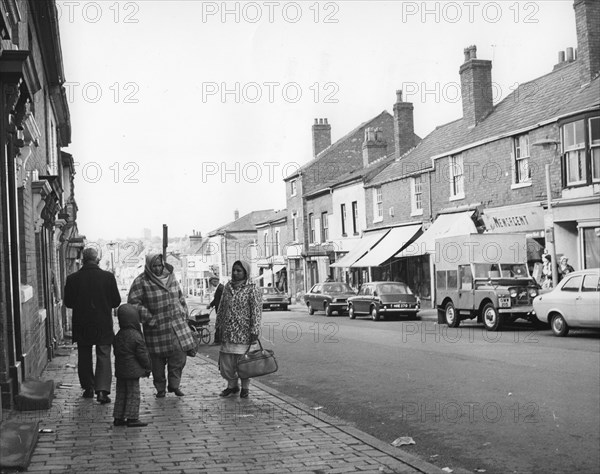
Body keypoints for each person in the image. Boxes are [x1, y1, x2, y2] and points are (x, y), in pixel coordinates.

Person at [128, 253, 196, 398]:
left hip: (177, 326)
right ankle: (160, 388)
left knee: (179, 357)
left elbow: (180, 297)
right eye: (154, 266)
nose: (158, 269)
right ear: (148, 266)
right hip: (156, 329)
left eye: (160, 265)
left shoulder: (171, 277)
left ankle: (174, 385)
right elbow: (134, 303)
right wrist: (150, 318)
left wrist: (184, 313)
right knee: (157, 362)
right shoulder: (141, 281)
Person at [64, 247, 121, 404]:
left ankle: (88, 387)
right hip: (102, 323)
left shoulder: (72, 278)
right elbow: (116, 301)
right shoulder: (108, 277)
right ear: (97, 260)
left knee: (84, 355)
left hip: (82, 324)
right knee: (103, 355)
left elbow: (68, 303)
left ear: (83, 260)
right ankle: (102, 391)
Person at [215, 260, 262, 399]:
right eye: (234, 270)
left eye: (239, 271)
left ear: (245, 272)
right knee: (227, 363)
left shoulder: (252, 288)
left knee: (243, 363)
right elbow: (222, 307)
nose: (235, 273)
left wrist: (255, 329)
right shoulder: (228, 287)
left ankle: (245, 388)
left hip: (244, 332)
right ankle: (232, 386)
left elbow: (256, 311)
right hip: (228, 332)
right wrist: (218, 326)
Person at [112, 304, 152, 427]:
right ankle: (132, 417)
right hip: (133, 371)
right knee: (133, 394)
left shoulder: (119, 335)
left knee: (121, 394)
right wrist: (148, 367)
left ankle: (118, 417)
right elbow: (142, 355)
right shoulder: (136, 336)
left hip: (121, 370)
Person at [206, 276, 224, 344]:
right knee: (219, 325)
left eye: (212, 283)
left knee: (218, 325)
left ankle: (218, 340)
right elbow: (216, 299)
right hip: (219, 310)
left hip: (220, 310)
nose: (212, 285)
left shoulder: (221, 288)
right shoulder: (220, 288)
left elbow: (221, 300)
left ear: (215, 281)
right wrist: (210, 305)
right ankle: (219, 340)